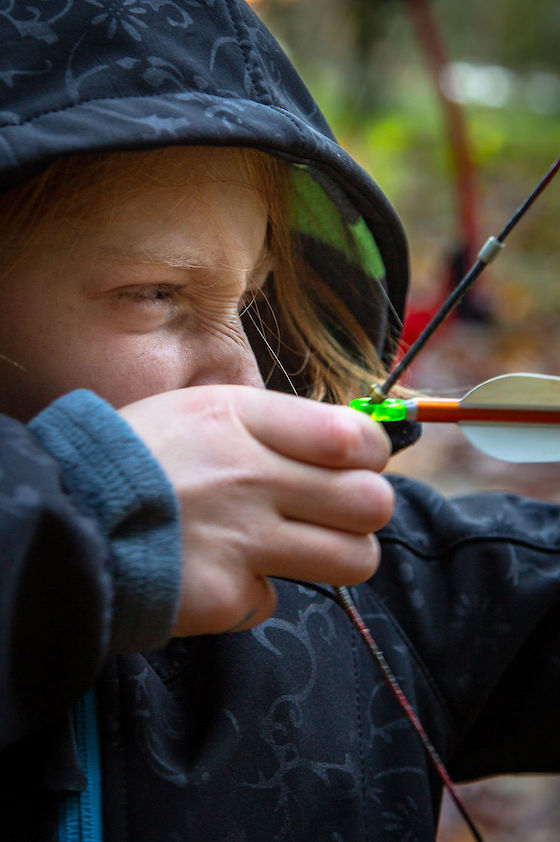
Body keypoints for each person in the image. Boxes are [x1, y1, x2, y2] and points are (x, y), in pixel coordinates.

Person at [0, 2, 558, 840]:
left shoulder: (352, 587)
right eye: (157, 293)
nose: (246, 373)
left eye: (253, 301)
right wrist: (87, 517)